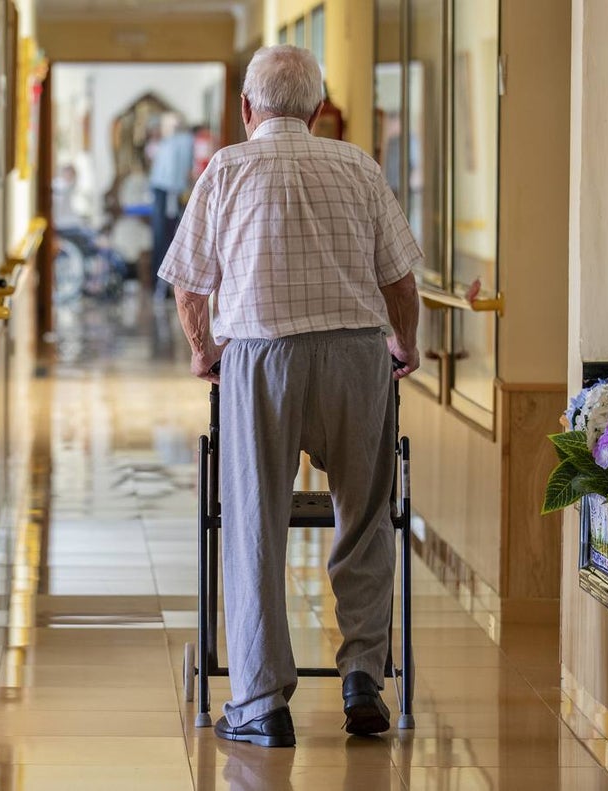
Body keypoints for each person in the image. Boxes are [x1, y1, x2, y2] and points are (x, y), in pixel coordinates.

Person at [159, 45, 421, 748]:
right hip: (356, 355)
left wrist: (204, 350)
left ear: (248, 109)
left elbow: (188, 285)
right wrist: (405, 343)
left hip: (261, 354)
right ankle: (363, 674)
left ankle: (261, 700)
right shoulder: (359, 165)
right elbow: (400, 281)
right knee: (365, 513)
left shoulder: (227, 169)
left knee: (254, 518)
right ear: (315, 107)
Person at [148, 112, 194, 300]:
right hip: (164, 192)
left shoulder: (184, 141)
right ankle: (160, 284)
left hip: (174, 192)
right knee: (162, 237)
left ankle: (167, 284)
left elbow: (182, 171)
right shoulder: (166, 144)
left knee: (174, 238)